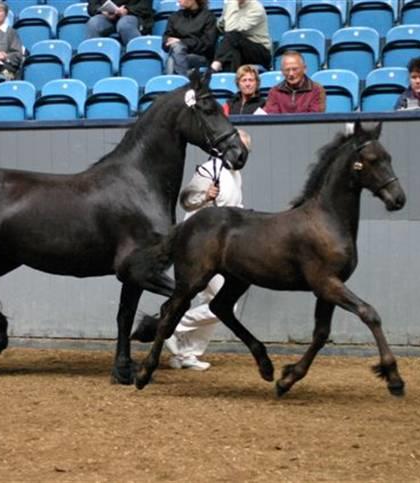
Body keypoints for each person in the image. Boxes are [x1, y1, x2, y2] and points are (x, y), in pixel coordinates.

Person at [164, 129, 252, 371]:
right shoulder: (208, 169)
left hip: (222, 246)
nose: (242, 154)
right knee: (225, 305)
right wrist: (205, 195)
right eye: (240, 148)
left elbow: (234, 206)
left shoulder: (236, 174)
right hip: (200, 245)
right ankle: (174, 325)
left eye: (246, 151)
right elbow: (187, 201)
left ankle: (187, 353)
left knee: (213, 300)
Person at [210, 0, 271, 73]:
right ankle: (230, 78)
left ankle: (214, 67)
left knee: (232, 37)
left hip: (260, 51)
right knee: (232, 52)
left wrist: (232, 4)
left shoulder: (256, 8)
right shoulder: (231, 5)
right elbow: (221, 26)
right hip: (238, 47)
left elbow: (231, 29)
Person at [162, 0, 217, 76]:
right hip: (177, 53)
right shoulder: (174, 17)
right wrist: (170, 43)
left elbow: (208, 44)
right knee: (174, 54)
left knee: (173, 57)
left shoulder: (208, 17)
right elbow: (166, 39)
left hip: (200, 56)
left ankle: (179, 82)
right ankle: (182, 81)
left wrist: (182, 42)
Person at [85, 0, 153, 46]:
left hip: (133, 14)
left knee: (125, 24)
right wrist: (102, 11)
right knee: (93, 23)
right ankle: (95, 62)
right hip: (107, 16)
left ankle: (138, 57)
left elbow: (145, 6)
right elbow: (92, 6)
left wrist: (127, 10)